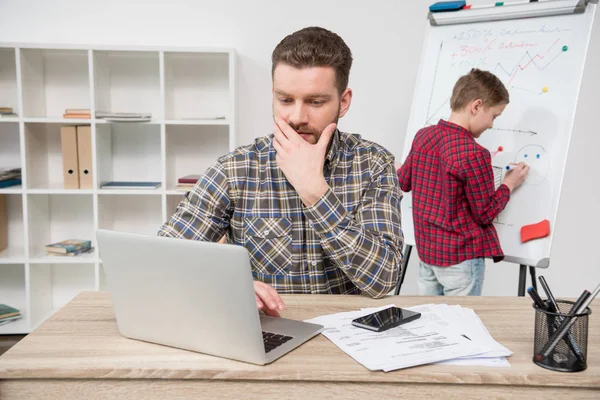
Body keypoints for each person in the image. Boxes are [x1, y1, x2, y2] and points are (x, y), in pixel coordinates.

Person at [159, 27, 404, 315]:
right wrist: (225, 283)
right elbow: (163, 260)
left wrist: (316, 192)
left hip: (351, 339)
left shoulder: (374, 164)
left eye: (315, 102)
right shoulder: (235, 170)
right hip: (267, 334)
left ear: (344, 101)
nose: (297, 117)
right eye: (285, 100)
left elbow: (384, 279)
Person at [397, 68, 529, 296]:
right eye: (494, 116)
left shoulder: (423, 136)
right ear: (476, 106)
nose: (491, 125)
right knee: (461, 324)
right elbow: (484, 213)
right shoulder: (474, 154)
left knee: (431, 322)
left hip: (427, 255)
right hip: (460, 260)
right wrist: (508, 184)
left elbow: (404, 182)